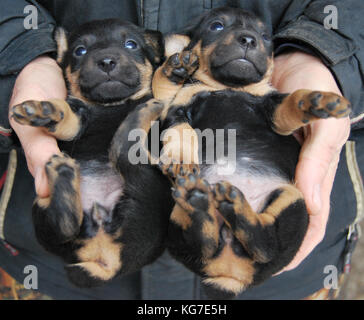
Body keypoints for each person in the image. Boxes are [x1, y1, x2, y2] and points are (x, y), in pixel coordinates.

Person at [0, 0, 363, 300]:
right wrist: (26, 59)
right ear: (184, 48)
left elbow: (283, 113)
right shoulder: (174, 103)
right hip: (51, 269)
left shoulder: (251, 96)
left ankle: (211, 220)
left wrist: (319, 57)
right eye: (217, 28)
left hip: (287, 279)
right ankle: (226, 224)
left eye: (260, 38)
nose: (246, 39)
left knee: (272, 208)